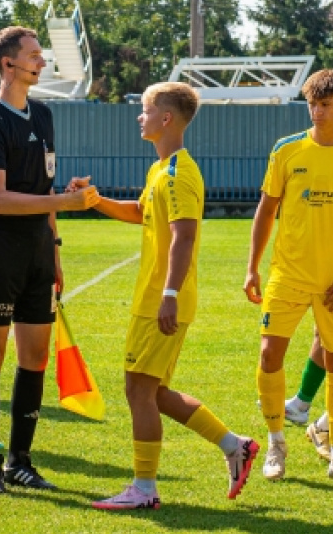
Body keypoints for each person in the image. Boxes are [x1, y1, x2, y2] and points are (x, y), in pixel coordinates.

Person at [90, 82, 258, 510]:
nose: (139, 117)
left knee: (138, 391)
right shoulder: (159, 170)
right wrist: (93, 200)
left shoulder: (180, 173)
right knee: (154, 391)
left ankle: (144, 489)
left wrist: (169, 293)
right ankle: (233, 445)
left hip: (162, 301)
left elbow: (184, 236)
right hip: (155, 298)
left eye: (145, 110)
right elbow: (140, 213)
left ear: (166, 118)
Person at [0, 26, 100, 494]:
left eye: (41, 56)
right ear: (8, 65)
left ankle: (22, 460)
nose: (42, 63)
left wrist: (55, 246)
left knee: (35, 356)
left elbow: (43, 188)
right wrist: (61, 204)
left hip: (39, 251)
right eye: (34, 56)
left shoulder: (42, 114)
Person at [244, 68, 333, 480]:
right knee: (268, 355)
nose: (317, 112)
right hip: (288, 274)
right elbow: (266, 211)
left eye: (325, 105)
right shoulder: (287, 149)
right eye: (312, 104)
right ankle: (276, 442)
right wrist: (252, 267)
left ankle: (329, 442)